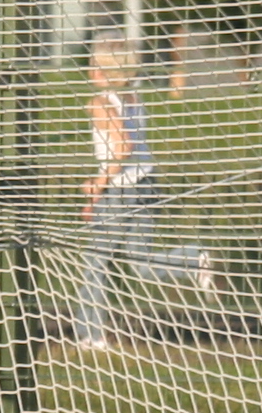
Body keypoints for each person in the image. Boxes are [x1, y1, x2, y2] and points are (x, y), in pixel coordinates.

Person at [75, 30, 213, 347]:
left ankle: (90, 335)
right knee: (142, 264)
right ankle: (194, 258)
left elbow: (122, 147)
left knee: (95, 263)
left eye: (94, 65)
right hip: (147, 184)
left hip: (122, 190)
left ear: (105, 71)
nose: (90, 70)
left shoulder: (100, 103)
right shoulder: (134, 96)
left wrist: (98, 183)